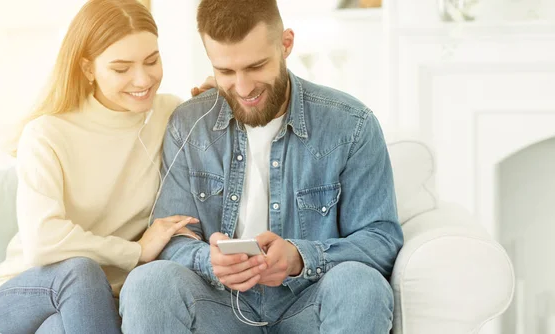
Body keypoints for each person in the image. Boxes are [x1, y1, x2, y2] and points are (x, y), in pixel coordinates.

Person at [119, 0, 405, 333]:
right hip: (219, 307)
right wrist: (207, 261)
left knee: (361, 285)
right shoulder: (189, 124)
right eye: (225, 71)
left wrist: (301, 257)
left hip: (308, 304)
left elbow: (381, 240)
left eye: (256, 66)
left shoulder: (351, 125)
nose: (242, 88)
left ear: (286, 44)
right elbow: (170, 236)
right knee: (148, 282)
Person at [0, 1, 213, 333]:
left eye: (152, 60)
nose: (143, 79)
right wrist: (135, 251)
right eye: (121, 69)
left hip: (101, 302)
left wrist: (215, 101)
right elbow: (43, 242)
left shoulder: (170, 114)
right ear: (88, 68)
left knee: (58, 329)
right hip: (28, 290)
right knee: (82, 271)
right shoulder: (48, 132)